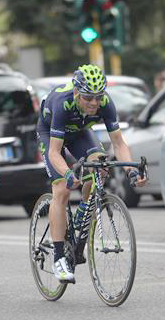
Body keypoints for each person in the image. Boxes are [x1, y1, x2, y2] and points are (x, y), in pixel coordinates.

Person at [36, 64, 147, 283]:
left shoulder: (105, 103)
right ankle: (59, 258)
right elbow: (55, 153)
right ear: (77, 93)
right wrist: (68, 174)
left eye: (98, 97)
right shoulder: (62, 103)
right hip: (50, 134)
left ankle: (83, 212)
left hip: (78, 133)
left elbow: (119, 143)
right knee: (61, 189)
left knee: (101, 165)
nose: (94, 103)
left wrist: (131, 171)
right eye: (88, 98)